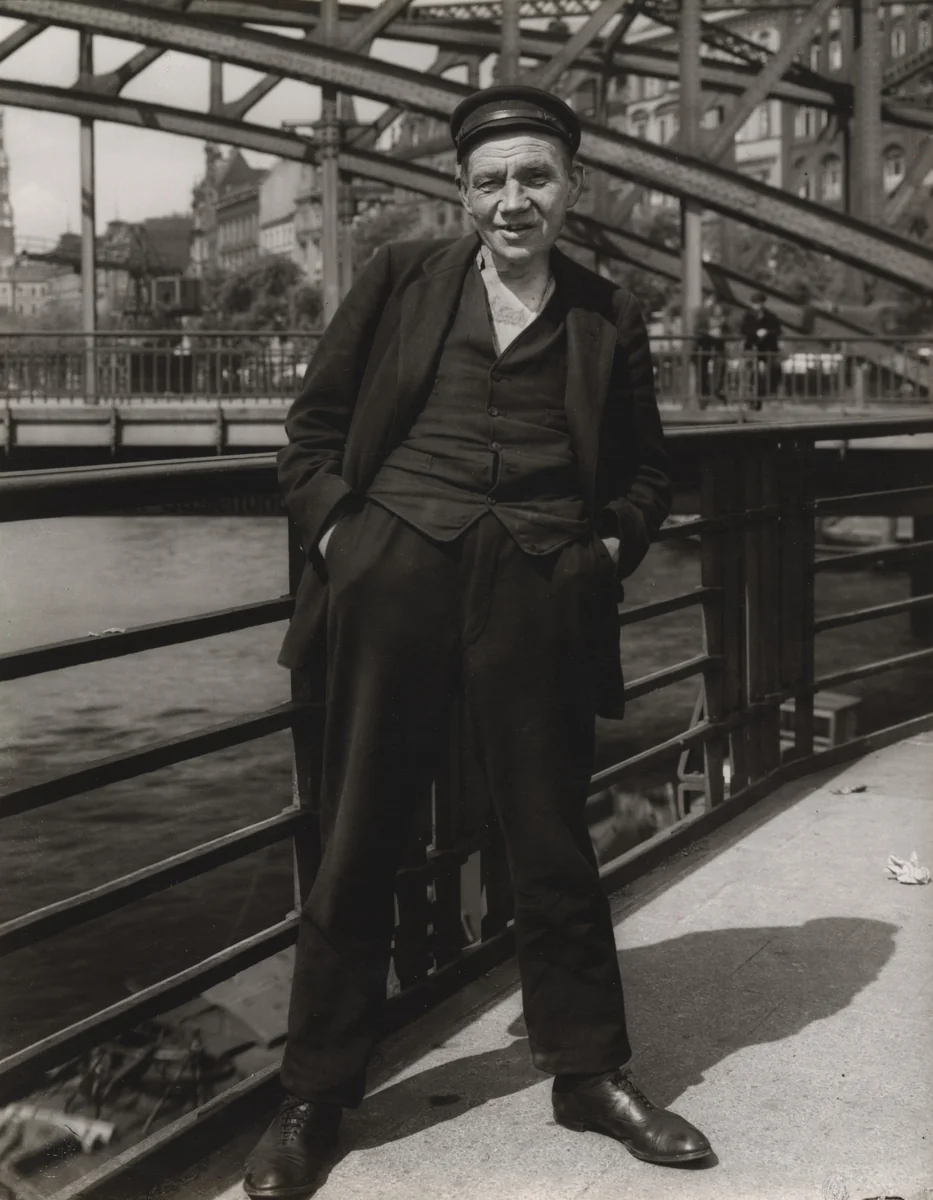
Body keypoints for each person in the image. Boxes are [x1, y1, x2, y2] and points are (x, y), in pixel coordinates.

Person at [244, 84, 712, 1199]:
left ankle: (588, 1071)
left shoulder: (609, 311)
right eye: (493, 182)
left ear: (573, 187)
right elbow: (310, 434)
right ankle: (313, 1097)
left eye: (536, 178)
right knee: (359, 833)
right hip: (394, 571)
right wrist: (343, 541)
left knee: (552, 838)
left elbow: (648, 469)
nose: (514, 201)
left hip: (541, 583)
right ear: (463, 192)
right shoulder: (402, 279)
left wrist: (603, 551)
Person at [740, 291, 782, 409]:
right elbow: (744, 329)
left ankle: (768, 394)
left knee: (774, 369)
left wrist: (767, 332)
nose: (757, 306)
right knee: (752, 372)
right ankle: (752, 398)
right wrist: (755, 332)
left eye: (759, 303)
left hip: (767, 348)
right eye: (755, 303)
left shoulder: (771, 316)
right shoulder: (748, 315)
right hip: (753, 348)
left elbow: (777, 330)